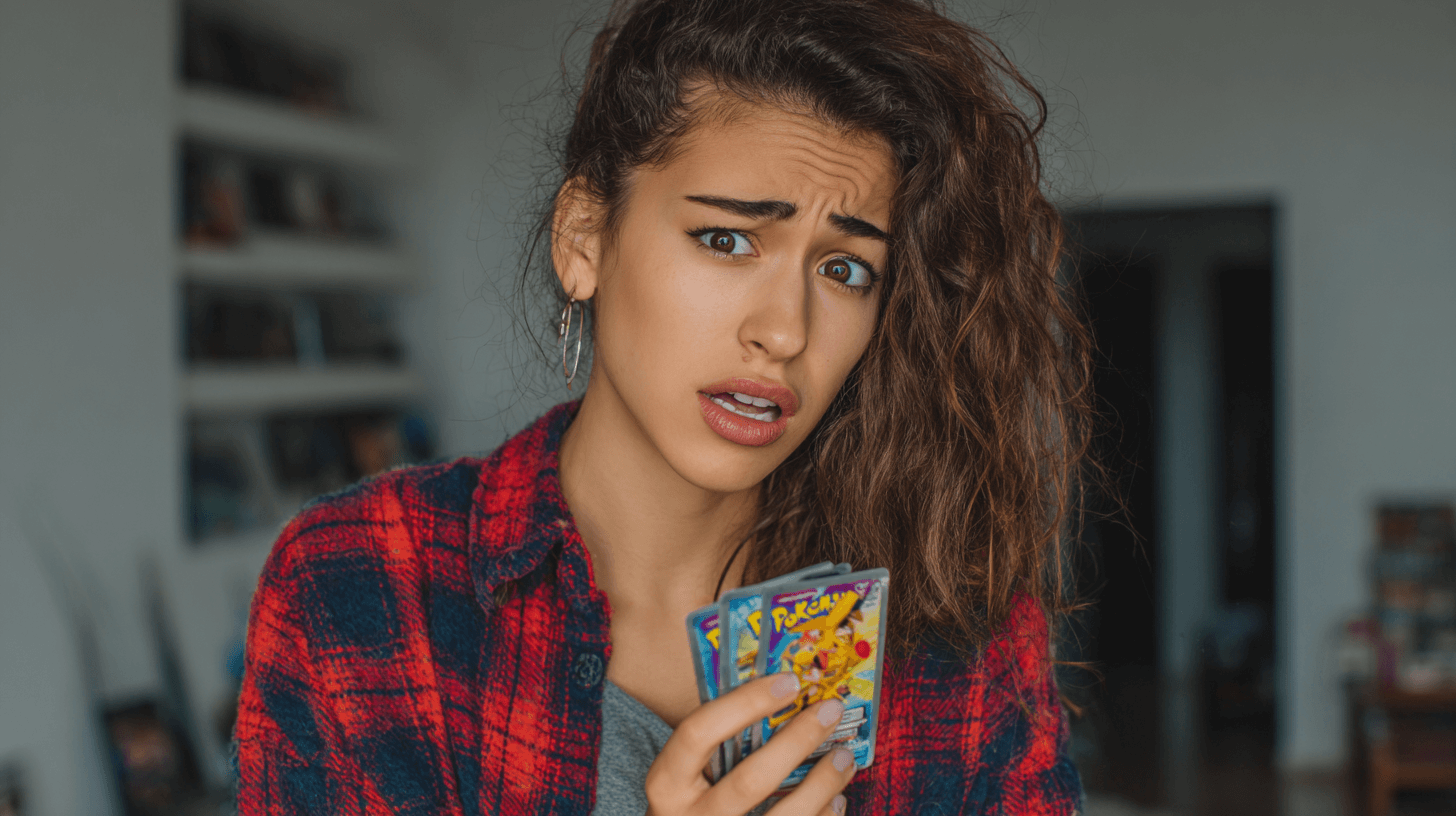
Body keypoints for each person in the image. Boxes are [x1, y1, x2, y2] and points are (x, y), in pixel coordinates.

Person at [233, 0, 1094, 813]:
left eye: (845, 270)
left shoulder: (960, 637)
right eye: (727, 239)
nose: (784, 331)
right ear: (584, 241)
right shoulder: (361, 587)